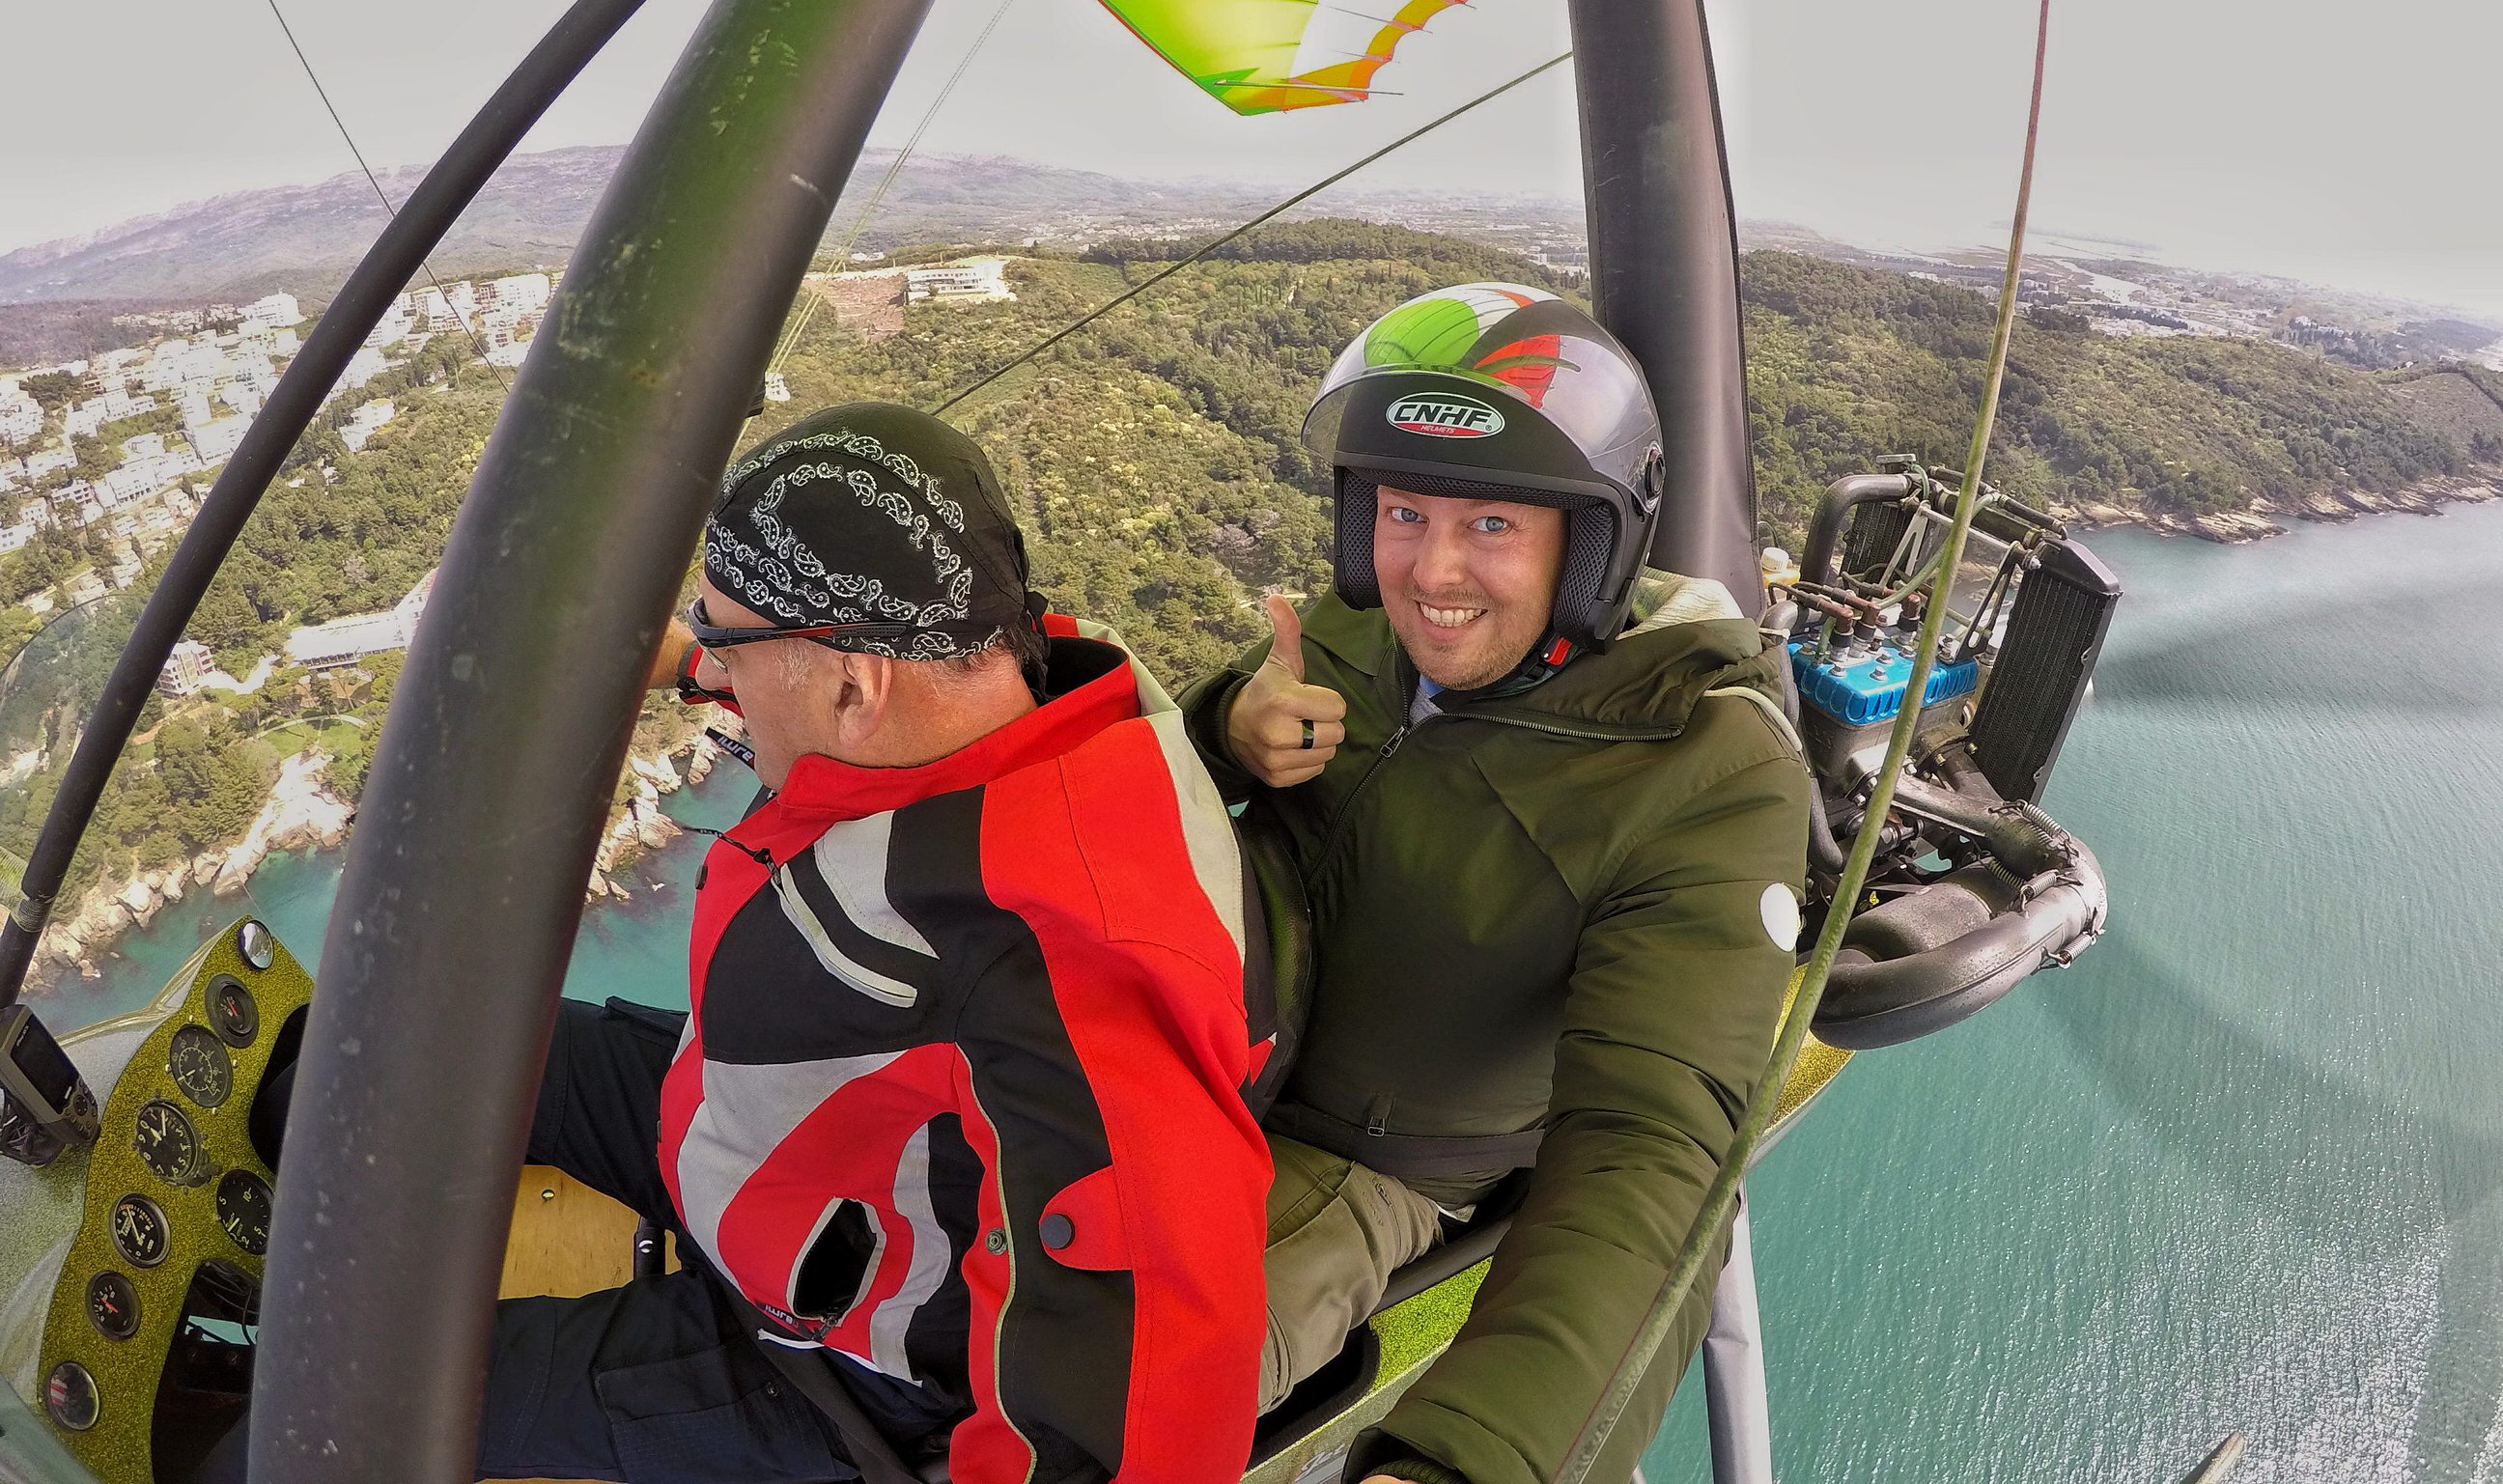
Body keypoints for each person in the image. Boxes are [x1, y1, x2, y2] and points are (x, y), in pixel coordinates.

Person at [203, 403, 1271, 1484]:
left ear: (854, 686)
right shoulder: (1014, 673)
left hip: (824, 1354)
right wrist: (686, 661)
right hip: (757, 1117)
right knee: (369, 1063)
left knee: (320, 1419)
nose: (717, 672)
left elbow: (1148, 1427)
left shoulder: (1072, 973)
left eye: (727, 640)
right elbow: (836, 662)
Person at [1179, 286, 1812, 1484]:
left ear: (1593, 547)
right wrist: (1227, 728)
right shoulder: (1357, 630)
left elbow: (1654, 1151)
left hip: (1358, 1156)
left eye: (1494, 527)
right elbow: (1166, 779)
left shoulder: (1708, 768)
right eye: (1404, 511)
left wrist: (1472, 1462)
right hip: (1193, 1032)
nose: (1432, 571)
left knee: (1092, 1393)